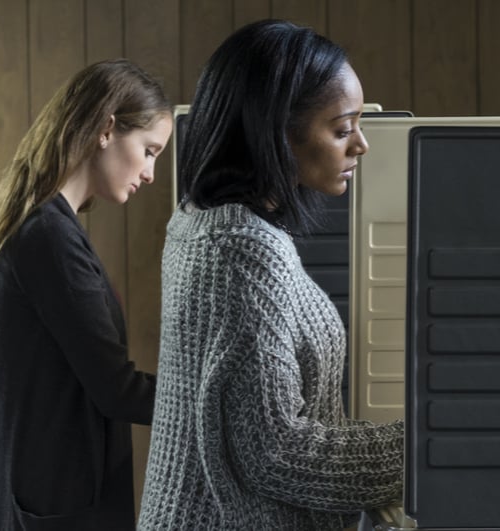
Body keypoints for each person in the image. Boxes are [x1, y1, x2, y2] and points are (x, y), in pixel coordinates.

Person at [138, 20, 403, 530]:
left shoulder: (202, 220)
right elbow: (276, 450)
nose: (361, 145)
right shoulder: (241, 249)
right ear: (279, 132)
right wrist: (421, 449)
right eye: (343, 128)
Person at [0, 59, 172, 531]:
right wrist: (217, 406)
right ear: (106, 129)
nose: (152, 173)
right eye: (149, 150)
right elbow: (116, 390)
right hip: (56, 504)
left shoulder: (49, 226)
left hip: (49, 494)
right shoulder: (49, 237)